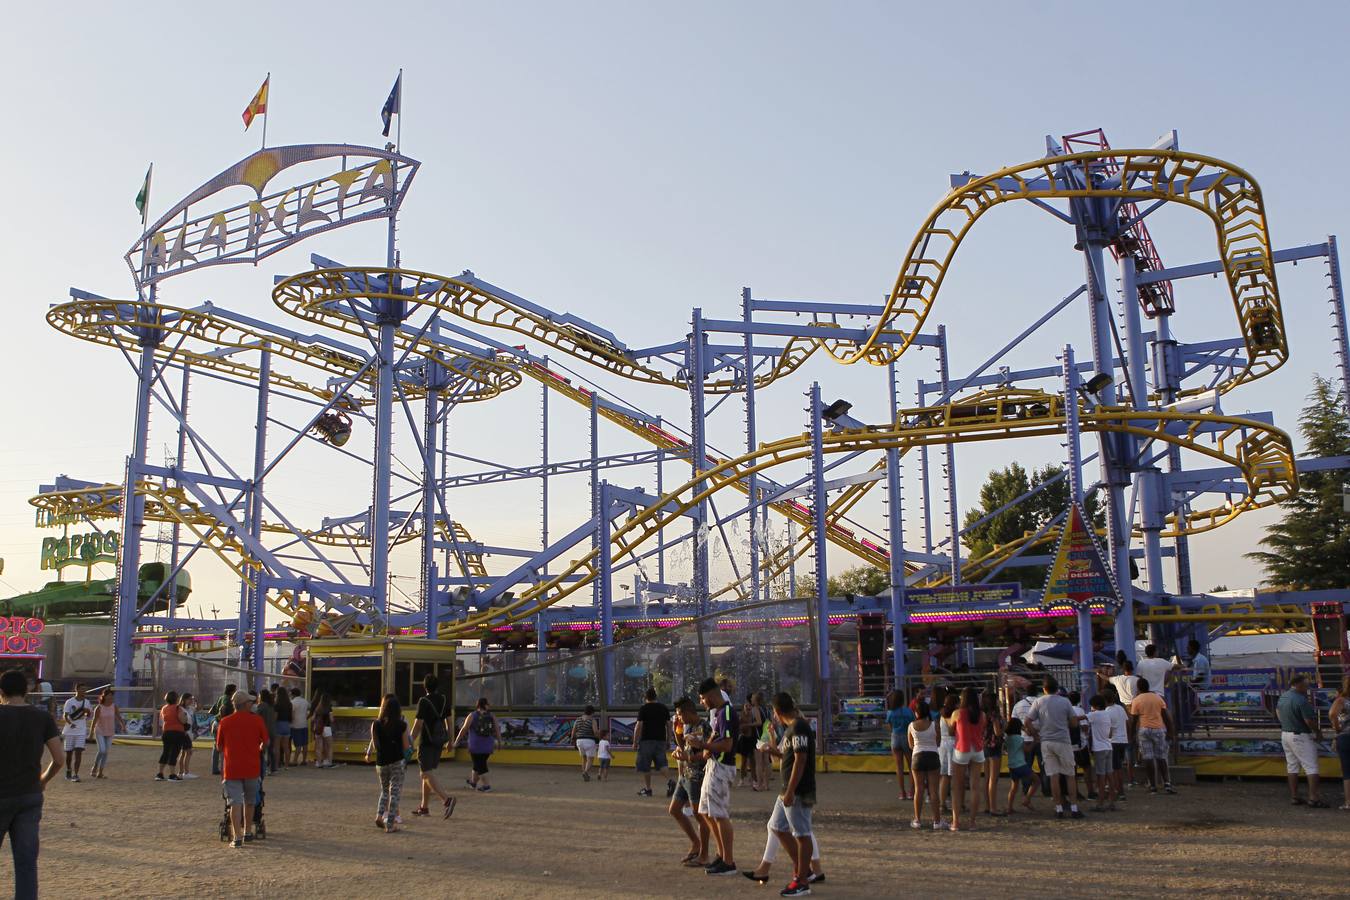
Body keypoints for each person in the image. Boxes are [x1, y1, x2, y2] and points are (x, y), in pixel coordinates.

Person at [0, 669, 64, 900]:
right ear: (27, 691)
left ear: (1, 692)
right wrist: (43, 780)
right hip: (29, 795)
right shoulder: (42, 717)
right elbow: (59, 759)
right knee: (26, 863)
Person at [762, 692, 815, 897]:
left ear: (776, 712)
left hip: (798, 789)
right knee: (777, 827)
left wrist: (792, 790)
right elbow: (791, 756)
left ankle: (802, 880)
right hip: (788, 788)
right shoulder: (793, 728)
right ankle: (804, 869)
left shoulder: (798, 727)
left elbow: (800, 760)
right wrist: (773, 752)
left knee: (802, 834)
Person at [694, 677, 739, 876]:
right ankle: (722, 855)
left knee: (719, 813)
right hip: (714, 765)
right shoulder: (719, 713)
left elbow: (727, 745)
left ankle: (728, 861)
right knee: (706, 811)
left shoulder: (727, 711)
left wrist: (703, 746)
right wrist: (705, 746)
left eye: (703, 699)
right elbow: (716, 736)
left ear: (712, 695)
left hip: (722, 766)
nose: (702, 702)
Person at [1025, 675, 1083, 819]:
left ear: (1044, 689)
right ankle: (1074, 808)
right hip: (1063, 740)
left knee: (1053, 776)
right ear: (1057, 689)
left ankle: (1058, 808)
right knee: (1070, 775)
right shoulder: (1065, 702)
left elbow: (1027, 721)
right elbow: (1074, 722)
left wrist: (1036, 735)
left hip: (1046, 742)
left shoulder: (1038, 702)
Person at [215, 692, 269, 848]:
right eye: (250, 703)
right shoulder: (257, 720)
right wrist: (258, 748)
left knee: (234, 803)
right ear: (245, 704)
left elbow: (219, 746)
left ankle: (237, 837)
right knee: (250, 801)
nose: (252, 704)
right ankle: (247, 832)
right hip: (252, 767)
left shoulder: (225, 722)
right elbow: (265, 742)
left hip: (232, 768)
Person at [670, 697, 712, 867]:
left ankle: (704, 854)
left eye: (680, 715)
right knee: (674, 810)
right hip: (685, 774)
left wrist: (689, 757)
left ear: (688, 712)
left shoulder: (704, 727)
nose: (679, 718)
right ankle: (696, 843)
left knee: (700, 816)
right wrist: (676, 733)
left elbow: (707, 753)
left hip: (697, 775)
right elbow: (684, 746)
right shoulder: (688, 726)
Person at [1276, 673, 1325, 807]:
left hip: (1286, 733)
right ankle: (1314, 798)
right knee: (1311, 766)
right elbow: (1309, 720)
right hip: (1300, 735)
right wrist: (1318, 731)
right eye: (1305, 685)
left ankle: (1295, 796)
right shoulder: (1301, 700)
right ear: (1298, 685)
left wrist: (1285, 723)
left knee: (1292, 766)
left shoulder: (1283, 697)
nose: (1307, 688)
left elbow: (1278, 712)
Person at [364, 693, 411, 833]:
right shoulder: (401, 725)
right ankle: (390, 824)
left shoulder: (376, 724)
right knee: (395, 792)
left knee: (384, 791)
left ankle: (379, 816)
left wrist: (368, 754)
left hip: (381, 762)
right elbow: (406, 747)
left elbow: (375, 742)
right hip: (396, 761)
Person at [409, 675, 454, 817]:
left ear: (425, 687)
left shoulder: (424, 701)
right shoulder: (444, 699)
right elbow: (449, 723)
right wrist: (450, 740)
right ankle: (424, 807)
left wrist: (409, 742)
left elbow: (418, 726)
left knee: (425, 773)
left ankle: (447, 800)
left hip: (427, 742)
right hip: (439, 741)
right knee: (427, 773)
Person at [1131, 677, 1177, 794]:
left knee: (1148, 758)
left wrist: (1132, 734)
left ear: (1138, 688)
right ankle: (1167, 784)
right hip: (1159, 729)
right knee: (1161, 757)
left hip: (1144, 730)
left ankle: (1152, 786)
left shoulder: (1136, 700)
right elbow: (1165, 716)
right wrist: (1171, 732)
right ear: (1148, 687)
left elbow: (1134, 720)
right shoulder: (1157, 698)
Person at [949, 687, 986, 830]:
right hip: (978, 750)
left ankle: (956, 822)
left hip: (961, 749)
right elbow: (982, 729)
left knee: (957, 787)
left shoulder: (957, 713)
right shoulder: (981, 714)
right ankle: (972, 822)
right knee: (975, 787)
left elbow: (952, 731)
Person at [907, 698, 944, 830]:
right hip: (933, 755)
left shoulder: (911, 726)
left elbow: (911, 744)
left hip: (917, 756)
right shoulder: (934, 724)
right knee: (933, 790)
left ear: (916, 713)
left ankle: (917, 820)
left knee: (919, 789)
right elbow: (938, 741)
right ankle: (937, 821)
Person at [634, 688, 674, 797]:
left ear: (645, 698)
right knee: (662, 763)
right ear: (656, 696)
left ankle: (648, 789)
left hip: (646, 740)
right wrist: (668, 739)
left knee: (646, 765)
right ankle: (670, 781)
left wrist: (635, 741)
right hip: (660, 740)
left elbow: (639, 726)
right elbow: (669, 725)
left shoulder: (644, 708)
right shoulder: (664, 708)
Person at [455, 697, 500, 793]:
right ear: (485, 705)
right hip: (488, 745)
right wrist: (499, 741)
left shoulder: (472, 715)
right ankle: (473, 782)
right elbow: (497, 729)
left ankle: (486, 785)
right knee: (477, 764)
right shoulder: (492, 716)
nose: (489, 705)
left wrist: (457, 741)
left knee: (480, 766)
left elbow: (464, 729)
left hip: (475, 745)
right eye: (488, 704)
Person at [1086, 694, 1116, 811]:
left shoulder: (1094, 715)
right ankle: (1112, 802)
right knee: (1110, 774)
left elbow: (1080, 718)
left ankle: (1100, 803)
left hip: (1099, 749)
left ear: (1096, 706)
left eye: (1092, 706)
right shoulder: (1107, 714)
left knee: (1101, 776)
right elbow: (1110, 733)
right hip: (1108, 747)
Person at [1002, 717, 1037, 814]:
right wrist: (1034, 741)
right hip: (1021, 764)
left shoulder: (1007, 738)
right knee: (1036, 780)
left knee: (1014, 787)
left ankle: (1009, 807)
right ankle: (1027, 799)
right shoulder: (1019, 739)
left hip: (1012, 765)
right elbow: (1028, 750)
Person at [60, 682, 94, 782]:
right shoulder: (69, 702)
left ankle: (76, 774)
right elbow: (65, 715)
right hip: (70, 730)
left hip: (81, 729)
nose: (84, 691)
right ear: (77, 690)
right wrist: (70, 723)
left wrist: (88, 712)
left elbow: (90, 716)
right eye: (82, 689)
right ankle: (68, 770)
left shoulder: (87, 702)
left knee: (78, 752)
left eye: (85, 689)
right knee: (69, 753)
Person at [884, 689, 914, 801]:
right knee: (911, 766)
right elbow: (912, 724)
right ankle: (911, 791)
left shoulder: (890, 713)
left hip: (895, 737)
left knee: (899, 767)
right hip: (906, 737)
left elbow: (889, 725)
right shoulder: (908, 711)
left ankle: (902, 792)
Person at [89, 689, 123, 779]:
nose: (110, 697)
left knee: (106, 752)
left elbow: (118, 716)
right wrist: (91, 732)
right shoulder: (99, 707)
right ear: (104, 696)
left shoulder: (114, 706)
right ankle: (95, 767)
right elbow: (94, 721)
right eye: (109, 695)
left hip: (110, 731)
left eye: (112, 695)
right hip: (100, 731)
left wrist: (123, 725)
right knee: (102, 750)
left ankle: (100, 772)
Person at [1105, 685, 1131, 802]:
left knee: (1115, 769)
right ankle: (1118, 790)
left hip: (1113, 742)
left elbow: (1109, 732)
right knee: (1118, 767)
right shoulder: (1120, 708)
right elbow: (1127, 723)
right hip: (1123, 740)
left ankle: (1119, 792)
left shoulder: (1107, 712)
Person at [980, 691, 1005, 816]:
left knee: (986, 778)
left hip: (984, 745)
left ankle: (987, 805)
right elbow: (998, 732)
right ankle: (993, 808)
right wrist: (1004, 728)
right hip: (994, 746)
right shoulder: (994, 714)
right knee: (993, 779)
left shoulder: (981, 714)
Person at [1329, 676, 1350, 811]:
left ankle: (1349, 802)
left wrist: (1337, 728)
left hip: (1346, 736)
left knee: (1347, 770)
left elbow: (1332, 714)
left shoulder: (1342, 700)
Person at [937, 692, 959, 815]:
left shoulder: (942, 714)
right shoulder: (953, 715)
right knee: (954, 777)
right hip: (952, 745)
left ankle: (942, 804)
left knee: (944, 776)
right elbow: (952, 732)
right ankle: (957, 803)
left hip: (943, 745)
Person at [156, 690, 185, 782]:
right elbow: (183, 720)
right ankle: (172, 774)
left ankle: (160, 773)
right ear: (176, 699)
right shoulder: (178, 708)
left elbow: (162, 721)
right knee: (174, 753)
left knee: (165, 752)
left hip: (166, 732)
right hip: (177, 732)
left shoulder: (164, 708)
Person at [209, 683, 237, 776]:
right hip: (221, 723)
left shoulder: (221, 697)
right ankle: (222, 768)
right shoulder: (227, 699)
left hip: (216, 722)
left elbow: (214, 710)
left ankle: (215, 768)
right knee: (222, 747)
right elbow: (223, 709)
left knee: (216, 746)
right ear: (232, 691)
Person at [737, 693, 762, 788]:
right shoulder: (741, 716)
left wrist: (748, 725)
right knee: (743, 761)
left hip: (751, 738)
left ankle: (754, 780)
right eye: (746, 706)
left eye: (749, 706)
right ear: (743, 707)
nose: (748, 707)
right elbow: (738, 727)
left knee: (752, 760)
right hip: (744, 739)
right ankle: (742, 779)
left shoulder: (753, 716)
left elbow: (758, 724)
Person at [572, 704, 601, 782]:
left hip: (579, 741)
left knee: (584, 758)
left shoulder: (577, 719)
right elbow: (595, 732)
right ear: (592, 712)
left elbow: (574, 731)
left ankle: (585, 773)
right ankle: (585, 772)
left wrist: (573, 740)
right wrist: (599, 737)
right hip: (589, 741)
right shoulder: (592, 720)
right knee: (590, 759)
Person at [752, 691, 774, 792]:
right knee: (767, 761)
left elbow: (759, 722)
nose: (751, 699)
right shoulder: (768, 709)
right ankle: (767, 784)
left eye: (752, 698)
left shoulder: (756, 709)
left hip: (759, 736)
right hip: (768, 736)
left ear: (756, 700)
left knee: (759, 762)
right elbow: (773, 723)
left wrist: (749, 724)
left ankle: (759, 785)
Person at [255, 689, 278, 775]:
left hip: (264, 731)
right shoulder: (271, 705)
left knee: (262, 751)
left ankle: (263, 769)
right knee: (271, 750)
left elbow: (256, 717)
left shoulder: (261, 706)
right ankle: (273, 769)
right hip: (272, 730)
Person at [178, 693, 199, 779]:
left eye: (191, 699)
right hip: (184, 733)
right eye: (189, 699)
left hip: (189, 733)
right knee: (188, 752)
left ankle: (181, 772)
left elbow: (198, 708)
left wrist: (196, 700)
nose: (191, 701)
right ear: (183, 700)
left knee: (184, 753)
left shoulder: (190, 708)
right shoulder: (180, 709)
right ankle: (185, 772)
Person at [311, 693, 335, 769]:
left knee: (319, 747)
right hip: (327, 728)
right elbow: (331, 719)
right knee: (329, 746)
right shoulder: (329, 708)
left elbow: (312, 719)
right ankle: (328, 762)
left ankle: (318, 763)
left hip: (318, 728)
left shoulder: (317, 708)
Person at [288, 687, 309, 767]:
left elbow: (292, 715)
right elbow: (309, 709)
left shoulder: (292, 702)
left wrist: (291, 721)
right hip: (304, 724)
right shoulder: (305, 701)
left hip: (295, 725)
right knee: (304, 743)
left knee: (298, 744)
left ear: (293, 694)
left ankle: (294, 761)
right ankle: (304, 760)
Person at [273, 685, 292, 771]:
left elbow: (275, 717)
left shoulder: (277, 704)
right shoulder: (289, 704)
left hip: (279, 725)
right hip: (287, 725)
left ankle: (276, 765)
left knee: (277, 747)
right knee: (286, 746)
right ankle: (286, 765)